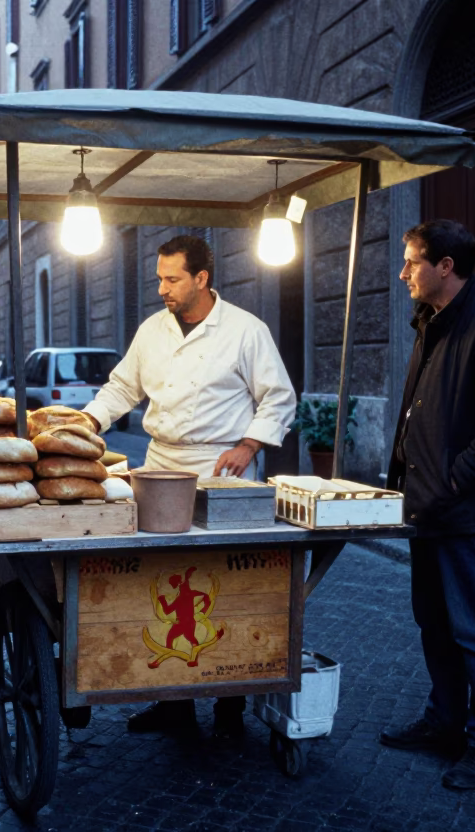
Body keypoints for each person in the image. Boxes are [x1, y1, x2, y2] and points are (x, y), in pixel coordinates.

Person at [82, 234, 296, 740]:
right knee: (160, 581)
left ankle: (230, 705)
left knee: (227, 587)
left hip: (223, 471)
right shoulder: (153, 330)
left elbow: (278, 398)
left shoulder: (246, 330)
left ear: (202, 278)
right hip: (160, 466)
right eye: (159, 278)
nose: (162, 288)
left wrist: (249, 446)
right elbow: (122, 388)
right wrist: (87, 423)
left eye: (172, 278)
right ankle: (170, 701)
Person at [379, 220, 475, 790]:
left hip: (464, 511)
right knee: (435, 623)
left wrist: (450, 481)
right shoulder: (433, 321)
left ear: (445, 266)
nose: (403, 274)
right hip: (427, 506)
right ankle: (446, 721)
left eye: (412, 263)